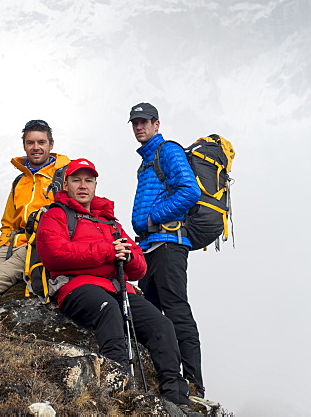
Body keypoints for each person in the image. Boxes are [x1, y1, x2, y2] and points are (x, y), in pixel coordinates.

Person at [36, 158, 198, 413]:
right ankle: (119, 388)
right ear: (65, 184)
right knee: (108, 311)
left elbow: (139, 267)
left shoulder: (110, 222)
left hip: (118, 288)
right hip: (76, 286)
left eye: (88, 180)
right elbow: (54, 254)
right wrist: (107, 252)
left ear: (95, 185)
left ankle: (177, 399)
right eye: (76, 180)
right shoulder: (56, 215)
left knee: (162, 324)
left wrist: (130, 257)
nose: (83, 186)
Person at [128, 102, 205, 397]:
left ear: (157, 124)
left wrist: (152, 217)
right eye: (135, 122)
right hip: (149, 247)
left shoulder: (168, 151)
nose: (139, 127)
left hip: (170, 244)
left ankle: (194, 383)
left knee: (176, 310)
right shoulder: (146, 159)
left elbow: (190, 191)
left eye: (145, 121)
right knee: (152, 312)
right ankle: (165, 375)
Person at [0, 119, 71, 315]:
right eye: (30, 143)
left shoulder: (64, 178)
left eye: (41, 142)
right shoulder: (20, 181)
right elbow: (8, 222)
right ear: (24, 145)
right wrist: (3, 246)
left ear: (51, 145)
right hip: (13, 244)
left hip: (39, 245)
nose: (36, 148)